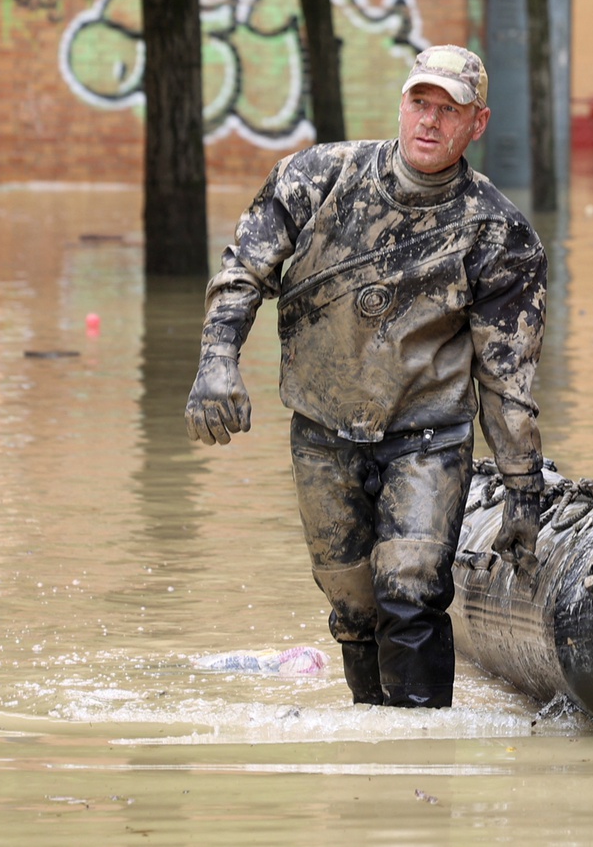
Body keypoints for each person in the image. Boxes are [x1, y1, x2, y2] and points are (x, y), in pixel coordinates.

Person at [184, 45, 548, 708]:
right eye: (420, 103)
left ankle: (421, 760)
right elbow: (242, 272)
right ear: (402, 103)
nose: (430, 122)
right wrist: (217, 361)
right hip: (323, 426)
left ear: (478, 123)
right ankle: (371, 749)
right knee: (352, 604)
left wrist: (523, 492)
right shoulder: (315, 177)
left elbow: (508, 377)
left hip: (428, 434)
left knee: (410, 590)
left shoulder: (499, 234)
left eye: (449, 110)